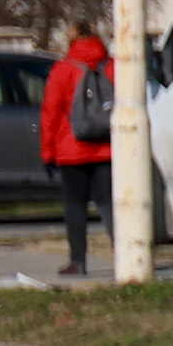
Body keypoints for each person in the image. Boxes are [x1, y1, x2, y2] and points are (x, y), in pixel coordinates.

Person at [40, 28, 118, 280]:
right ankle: (124, 253)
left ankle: (77, 261)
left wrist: (47, 152)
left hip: (71, 148)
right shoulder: (113, 66)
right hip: (107, 147)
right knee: (108, 204)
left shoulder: (63, 69)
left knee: (75, 205)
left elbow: (51, 112)